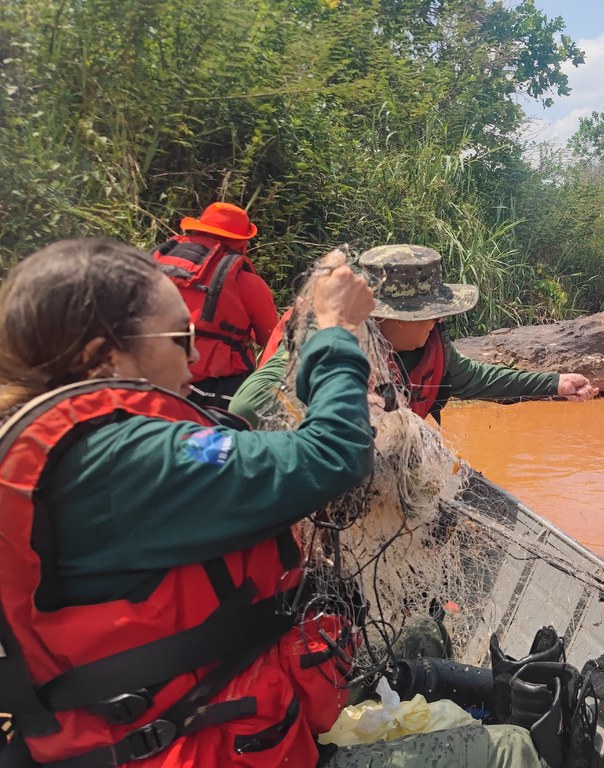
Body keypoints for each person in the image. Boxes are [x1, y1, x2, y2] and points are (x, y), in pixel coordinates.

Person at [0, 239, 542, 768]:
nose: (194, 352)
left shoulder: (78, 446)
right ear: (103, 358)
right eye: (179, 334)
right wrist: (337, 332)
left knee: (419, 640)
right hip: (190, 744)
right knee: (510, 749)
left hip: (216, 709)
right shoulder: (123, 461)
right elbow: (331, 456)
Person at [229, 244, 599, 427]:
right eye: (428, 313)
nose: (436, 321)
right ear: (387, 318)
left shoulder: (430, 342)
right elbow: (246, 407)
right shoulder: (326, 348)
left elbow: (474, 378)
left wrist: (554, 382)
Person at [152, 201, 279, 409]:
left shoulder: (158, 261)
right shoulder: (247, 283)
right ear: (242, 242)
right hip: (209, 388)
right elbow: (272, 338)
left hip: (148, 372)